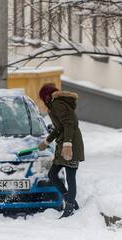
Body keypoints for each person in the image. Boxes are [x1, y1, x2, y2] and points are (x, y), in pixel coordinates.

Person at [38, 83, 85, 218]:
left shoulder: (57, 104)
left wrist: (68, 145)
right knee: (52, 174)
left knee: (70, 177)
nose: (44, 102)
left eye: (43, 98)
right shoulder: (55, 105)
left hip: (71, 145)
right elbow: (59, 128)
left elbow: (69, 124)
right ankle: (71, 201)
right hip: (63, 144)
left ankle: (69, 208)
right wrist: (47, 142)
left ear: (47, 96)